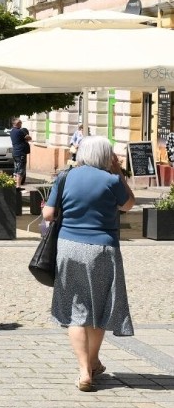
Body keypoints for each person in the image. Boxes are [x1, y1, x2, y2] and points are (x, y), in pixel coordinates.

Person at [43, 136, 135, 392]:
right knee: (100, 306)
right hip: (103, 249)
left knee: (76, 309)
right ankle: (92, 361)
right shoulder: (112, 180)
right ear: (107, 155)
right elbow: (128, 205)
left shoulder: (65, 177)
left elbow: (48, 214)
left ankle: (86, 369)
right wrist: (119, 174)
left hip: (69, 247)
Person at [10, 118, 32, 186]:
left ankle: (13, 185)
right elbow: (29, 138)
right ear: (17, 123)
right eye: (20, 122)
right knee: (20, 171)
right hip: (21, 153)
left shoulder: (12, 131)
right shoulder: (20, 131)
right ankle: (18, 186)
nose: (21, 124)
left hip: (15, 152)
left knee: (16, 170)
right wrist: (25, 138)